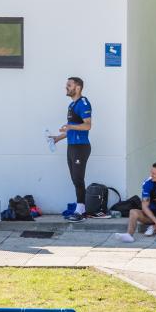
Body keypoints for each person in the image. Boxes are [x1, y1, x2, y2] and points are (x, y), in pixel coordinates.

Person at [49, 77, 92, 222]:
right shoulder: (71, 105)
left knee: (78, 179)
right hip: (72, 147)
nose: (66, 87)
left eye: (69, 85)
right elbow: (70, 129)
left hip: (81, 147)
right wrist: (57, 138)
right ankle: (80, 209)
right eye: (66, 85)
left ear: (78, 87)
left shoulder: (83, 103)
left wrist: (71, 126)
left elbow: (87, 125)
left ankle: (81, 211)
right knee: (75, 179)